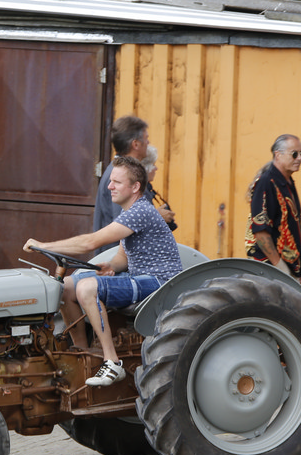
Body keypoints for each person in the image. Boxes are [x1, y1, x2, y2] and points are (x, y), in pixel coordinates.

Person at [23, 156, 182, 387]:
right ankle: (82, 354)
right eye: (110, 181)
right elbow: (123, 257)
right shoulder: (130, 212)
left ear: (135, 187)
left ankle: (112, 362)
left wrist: (44, 245)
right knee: (66, 286)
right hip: (139, 277)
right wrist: (112, 266)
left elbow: (91, 242)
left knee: (87, 288)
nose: (109, 186)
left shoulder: (141, 211)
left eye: (117, 182)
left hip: (160, 282)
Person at [244, 134, 301, 282]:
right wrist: (281, 269)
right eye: (294, 154)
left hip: (286, 270)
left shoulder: (286, 182)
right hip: (270, 271)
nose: (299, 158)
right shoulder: (266, 183)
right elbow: (260, 232)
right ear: (278, 155)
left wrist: (297, 269)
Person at [93, 116, 150, 251]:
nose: (148, 142)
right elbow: (125, 224)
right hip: (116, 258)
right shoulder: (121, 175)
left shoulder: (120, 170)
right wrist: (158, 216)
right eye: (146, 138)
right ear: (136, 144)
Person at [140, 145, 177, 231]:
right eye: (153, 165)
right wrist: (157, 216)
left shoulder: (145, 189)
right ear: (145, 168)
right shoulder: (139, 190)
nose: (156, 168)